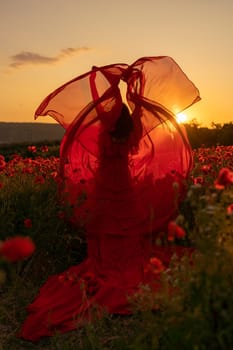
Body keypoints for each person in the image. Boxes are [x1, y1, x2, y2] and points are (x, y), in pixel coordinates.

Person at [19, 56, 200, 342]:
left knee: (107, 228)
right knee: (125, 227)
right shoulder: (131, 135)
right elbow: (137, 120)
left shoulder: (103, 134)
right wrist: (132, 90)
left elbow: (97, 112)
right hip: (124, 189)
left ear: (108, 118)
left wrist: (109, 85)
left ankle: (109, 261)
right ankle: (122, 260)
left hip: (106, 189)